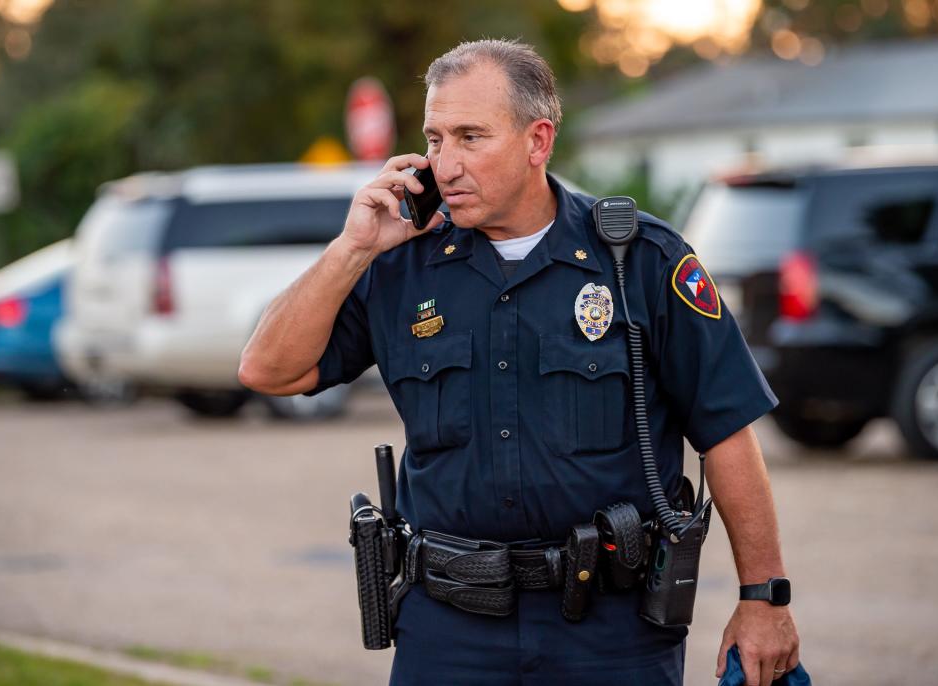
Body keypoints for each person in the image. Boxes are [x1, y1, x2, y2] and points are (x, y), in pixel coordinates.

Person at [239, 39, 800, 686]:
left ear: (538, 141)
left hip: (610, 633)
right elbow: (268, 371)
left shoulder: (641, 262)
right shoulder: (399, 264)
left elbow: (727, 431)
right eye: (435, 138)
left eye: (471, 137)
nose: (445, 164)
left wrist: (765, 599)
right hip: (449, 630)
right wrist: (351, 249)